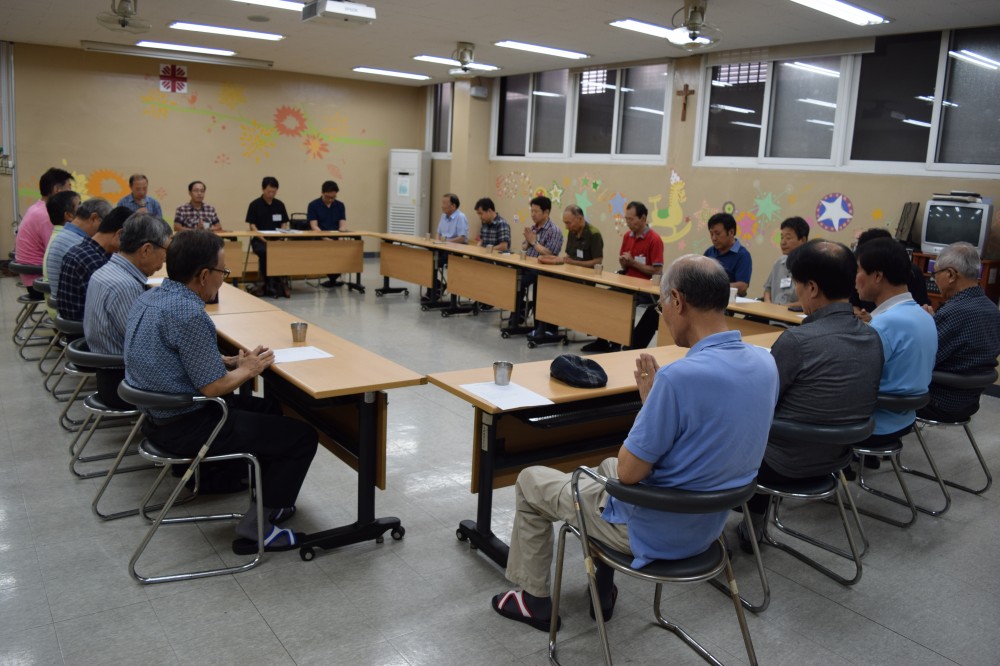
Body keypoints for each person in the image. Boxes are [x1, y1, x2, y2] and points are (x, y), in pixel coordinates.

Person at [491, 255, 779, 632]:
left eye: (661, 306)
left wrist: (653, 404)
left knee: (531, 480)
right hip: (708, 527)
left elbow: (630, 473)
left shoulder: (679, 378)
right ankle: (602, 587)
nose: (664, 315)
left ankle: (534, 601)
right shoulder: (765, 363)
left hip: (656, 531)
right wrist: (656, 404)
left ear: (677, 300)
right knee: (605, 467)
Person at [123, 230, 318, 553]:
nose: (223, 280)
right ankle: (257, 526)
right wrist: (248, 370)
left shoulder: (150, 297)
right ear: (203, 275)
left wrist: (228, 361)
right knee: (301, 437)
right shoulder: (189, 313)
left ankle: (267, 501)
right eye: (222, 272)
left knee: (269, 410)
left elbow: (172, 356)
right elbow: (213, 387)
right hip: (187, 426)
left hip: (157, 418)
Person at [738, 240, 883, 550]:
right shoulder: (872, 337)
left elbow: (759, 405)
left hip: (779, 464)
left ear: (813, 288)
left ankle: (698, 529)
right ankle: (752, 522)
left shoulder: (798, 341)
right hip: (836, 459)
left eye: (798, 285)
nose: (797, 292)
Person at [854, 237, 936, 452]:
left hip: (874, 424)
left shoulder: (884, 325)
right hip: (905, 419)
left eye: (858, 270)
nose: (855, 279)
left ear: (877, 276)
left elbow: (854, 381)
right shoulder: (925, 316)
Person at [84, 213, 172, 408]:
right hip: (124, 384)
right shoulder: (125, 286)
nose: (164, 260)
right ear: (146, 249)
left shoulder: (107, 270)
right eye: (165, 251)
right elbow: (148, 347)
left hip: (110, 377)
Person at [918, 242, 1000, 421]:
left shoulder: (954, 312)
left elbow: (922, 360)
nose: (934, 280)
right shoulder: (992, 309)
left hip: (938, 401)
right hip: (969, 402)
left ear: (950, 274)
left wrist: (925, 326)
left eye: (935, 274)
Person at [581, 202, 663, 353]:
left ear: (643, 218)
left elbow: (657, 270)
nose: (628, 223)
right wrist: (624, 262)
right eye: (626, 219)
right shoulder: (627, 236)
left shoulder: (654, 239)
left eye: (631, 219)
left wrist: (633, 263)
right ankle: (602, 341)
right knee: (603, 297)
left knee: (620, 300)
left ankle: (618, 343)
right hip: (626, 282)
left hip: (644, 288)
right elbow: (625, 265)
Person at [57, 204, 128, 321]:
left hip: (72, 322)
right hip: (83, 326)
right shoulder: (95, 262)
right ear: (119, 234)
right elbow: (112, 307)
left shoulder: (81, 249)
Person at [14, 167, 74, 299]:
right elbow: (58, 251)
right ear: (57, 190)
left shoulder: (37, 208)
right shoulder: (46, 215)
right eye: (69, 187)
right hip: (40, 283)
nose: (71, 192)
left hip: (35, 277)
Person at [850, 227, 929, 321]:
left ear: (878, 275)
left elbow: (923, 305)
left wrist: (873, 319)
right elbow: (853, 304)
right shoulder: (925, 319)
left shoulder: (912, 273)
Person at [523, 196, 565, 344]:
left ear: (546, 212)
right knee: (512, 275)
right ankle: (519, 314)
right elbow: (524, 247)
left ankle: (526, 314)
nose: (533, 214)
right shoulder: (533, 228)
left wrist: (533, 242)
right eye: (531, 211)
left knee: (521, 281)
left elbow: (551, 254)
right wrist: (528, 241)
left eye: (536, 211)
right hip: (529, 266)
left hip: (544, 271)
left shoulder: (554, 230)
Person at [40, 192, 87, 311]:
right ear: (69, 215)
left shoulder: (58, 235)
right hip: (62, 310)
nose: (85, 209)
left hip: (56, 306)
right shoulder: (70, 240)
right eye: (80, 205)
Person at [245, 176, 290, 298]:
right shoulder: (255, 205)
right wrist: (263, 239)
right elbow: (252, 226)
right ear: (263, 189)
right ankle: (268, 284)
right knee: (267, 252)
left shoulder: (279, 205)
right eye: (269, 191)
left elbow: (284, 223)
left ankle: (280, 284)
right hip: (260, 241)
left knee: (287, 250)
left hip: (277, 240)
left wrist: (281, 237)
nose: (271, 194)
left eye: (274, 192)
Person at [306, 180, 348, 288]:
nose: (330, 200)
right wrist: (324, 238)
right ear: (322, 193)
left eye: (333, 197)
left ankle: (334, 277)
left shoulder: (340, 205)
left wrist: (341, 236)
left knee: (346, 249)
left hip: (336, 238)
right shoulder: (313, 205)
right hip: (320, 238)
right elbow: (314, 226)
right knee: (328, 250)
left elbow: (343, 224)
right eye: (328, 197)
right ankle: (331, 277)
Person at [762, 216, 809, 305]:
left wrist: (783, 308)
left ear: (802, 240)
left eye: (788, 238)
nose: (783, 242)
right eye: (782, 237)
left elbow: (810, 302)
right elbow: (767, 289)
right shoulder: (779, 263)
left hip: (793, 313)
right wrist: (768, 304)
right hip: (772, 312)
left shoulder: (811, 266)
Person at [538, 205, 602, 268]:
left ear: (580, 219)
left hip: (587, 273)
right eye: (565, 223)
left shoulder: (594, 234)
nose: (566, 227)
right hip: (570, 271)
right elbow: (569, 256)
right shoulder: (572, 231)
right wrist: (558, 259)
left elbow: (598, 262)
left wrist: (574, 262)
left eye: (568, 223)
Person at [704, 213, 752, 297]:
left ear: (731, 232)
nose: (713, 238)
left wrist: (714, 287)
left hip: (729, 302)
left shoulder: (743, 255)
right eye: (711, 234)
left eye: (717, 233)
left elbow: (742, 287)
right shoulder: (709, 252)